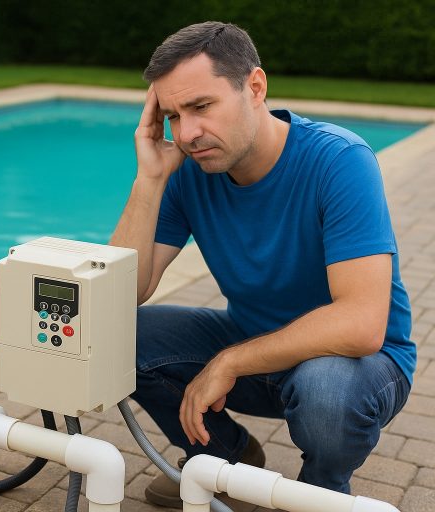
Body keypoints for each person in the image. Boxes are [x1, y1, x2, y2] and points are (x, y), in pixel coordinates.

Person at [109, 21, 415, 508]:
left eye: (201, 107)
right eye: (172, 116)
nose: (187, 134)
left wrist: (229, 361)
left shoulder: (340, 160)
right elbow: (119, 295)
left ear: (255, 87)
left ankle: (320, 492)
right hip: (257, 345)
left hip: (360, 367)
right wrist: (149, 179)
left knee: (327, 390)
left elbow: (362, 325)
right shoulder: (191, 169)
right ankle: (228, 464)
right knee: (114, 334)